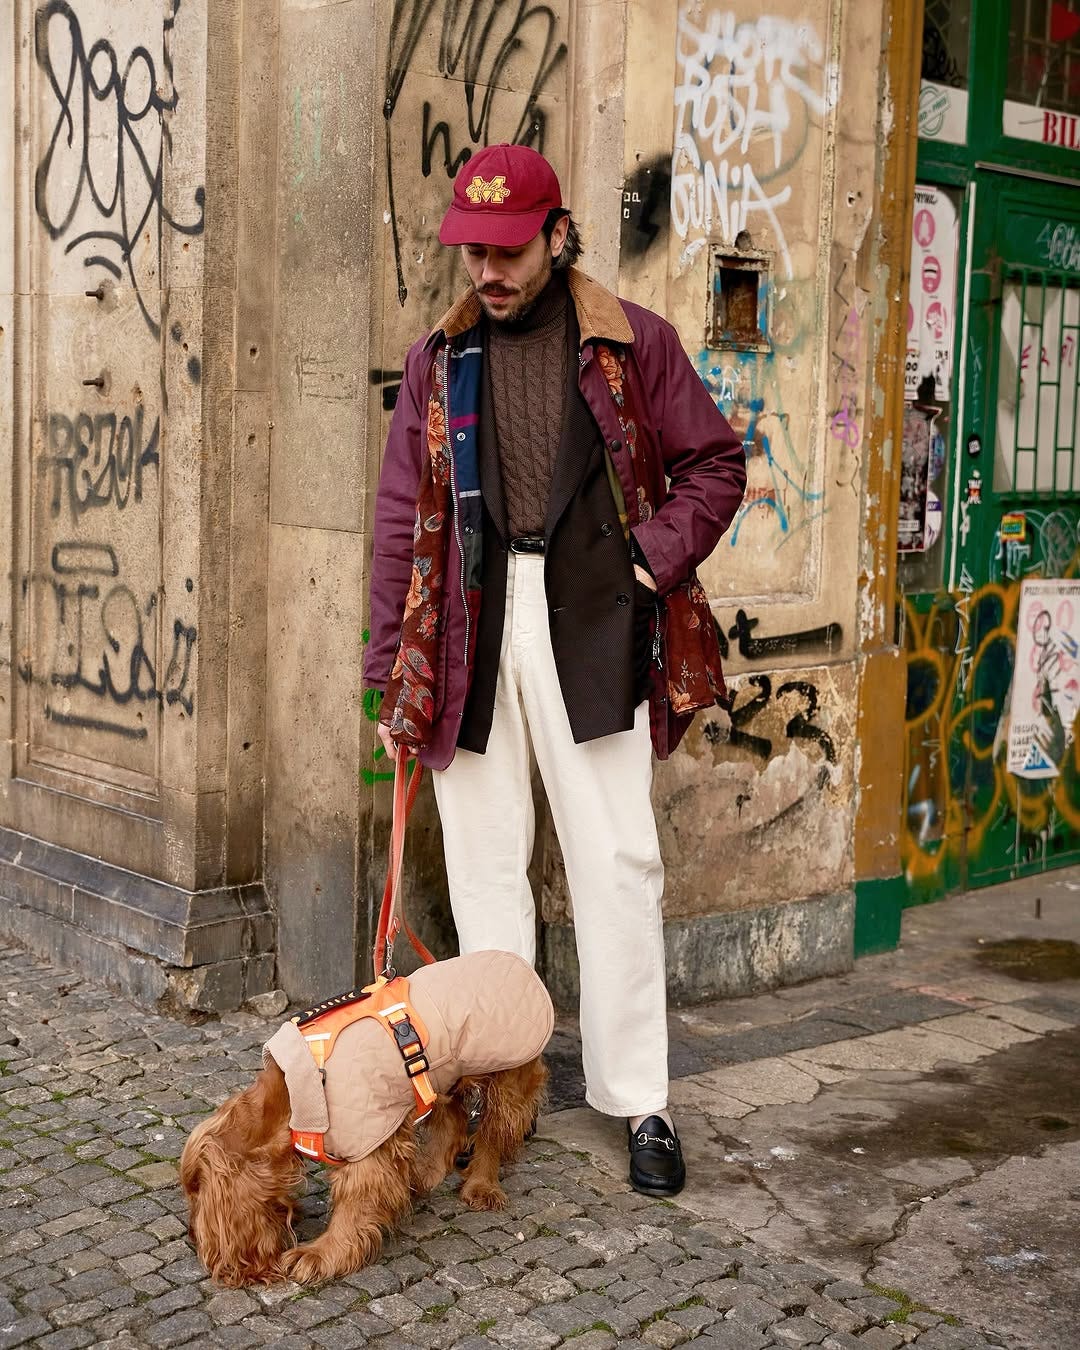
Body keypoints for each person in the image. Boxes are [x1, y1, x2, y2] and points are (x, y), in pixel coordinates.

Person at [364, 143, 746, 1196]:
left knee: (617, 863)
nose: (486, 271)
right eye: (472, 252)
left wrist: (645, 559)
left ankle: (640, 1101)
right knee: (485, 870)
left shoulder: (632, 344)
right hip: (467, 630)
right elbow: (403, 519)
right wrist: (384, 669)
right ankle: (502, 1090)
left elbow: (718, 464)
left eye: (507, 249)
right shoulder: (437, 364)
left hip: (593, 619)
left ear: (558, 235)